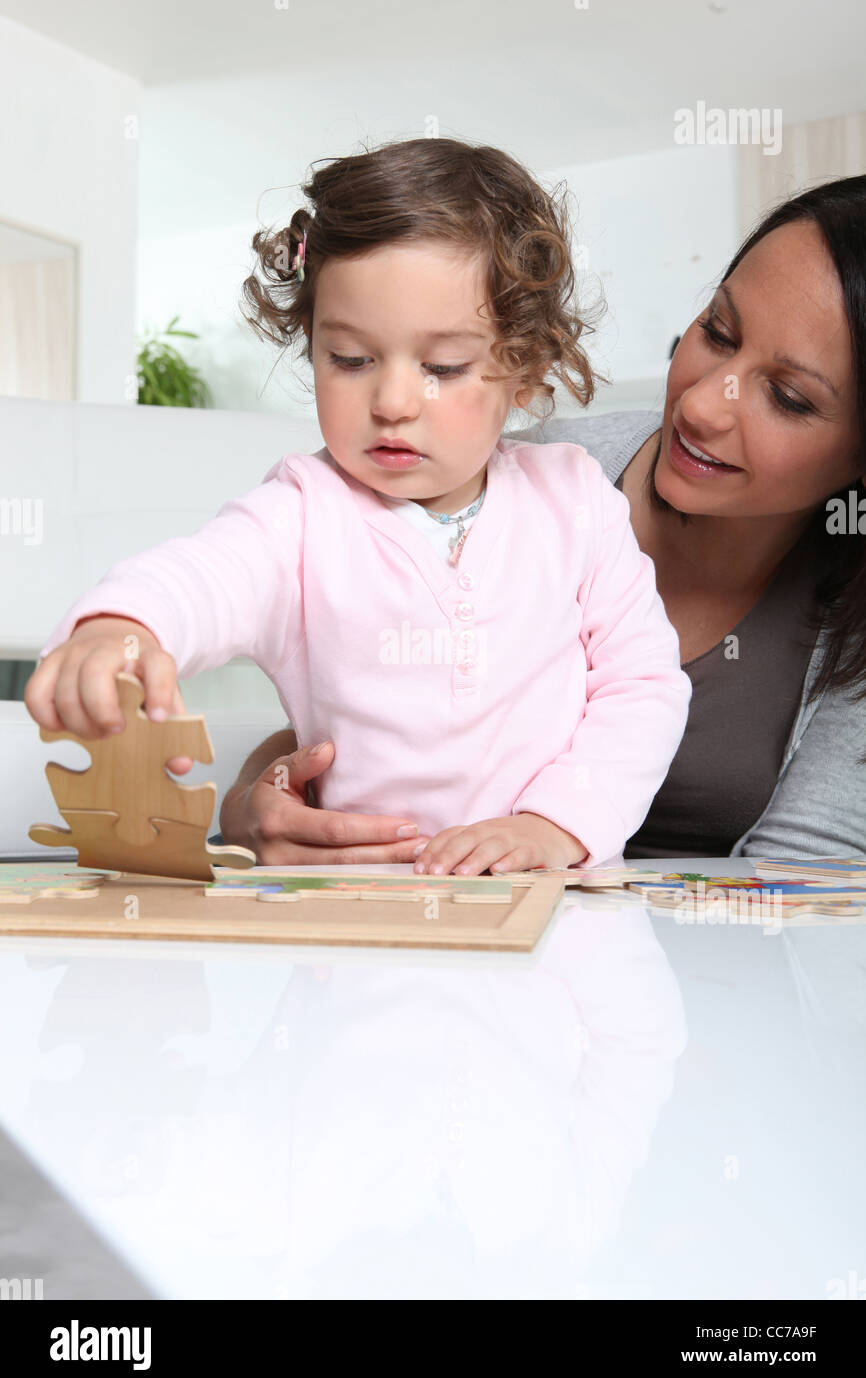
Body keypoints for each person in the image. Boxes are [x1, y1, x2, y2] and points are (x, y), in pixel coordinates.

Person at [24, 137, 691, 875]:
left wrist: (557, 827)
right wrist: (120, 625)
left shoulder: (574, 501)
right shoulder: (302, 515)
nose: (394, 402)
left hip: (557, 905)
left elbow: (642, 685)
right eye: (350, 359)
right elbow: (204, 576)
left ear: (527, 371)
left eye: (442, 367)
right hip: (355, 924)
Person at [219, 175, 866, 864]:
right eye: (717, 331)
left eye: (789, 398)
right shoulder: (505, 481)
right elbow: (357, 716)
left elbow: (810, 892)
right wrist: (249, 807)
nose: (704, 406)